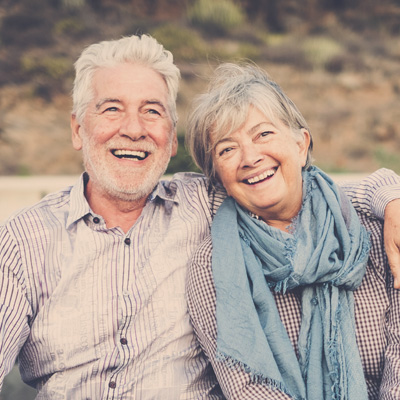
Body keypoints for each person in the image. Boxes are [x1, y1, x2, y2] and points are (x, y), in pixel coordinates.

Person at [0, 35, 398, 399]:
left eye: (152, 111)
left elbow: (300, 194)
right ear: (77, 128)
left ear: (172, 139)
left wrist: (390, 197)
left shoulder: (203, 201)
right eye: (112, 109)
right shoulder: (23, 241)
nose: (134, 128)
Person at [186, 63, 400, 399]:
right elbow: (248, 387)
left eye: (263, 134)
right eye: (227, 149)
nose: (250, 157)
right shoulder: (212, 265)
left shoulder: (375, 226)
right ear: (218, 177)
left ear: (301, 145)